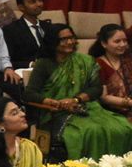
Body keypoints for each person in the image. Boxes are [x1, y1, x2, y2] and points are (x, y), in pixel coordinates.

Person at [27, 24, 132, 159]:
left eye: (72, 38)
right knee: (91, 131)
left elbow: (96, 88)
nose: (70, 42)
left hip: (86, 108)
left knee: (122, 127)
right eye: (64, 39)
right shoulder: (44, 64)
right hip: (56, 112)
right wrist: (54, 102)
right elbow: (30, 94)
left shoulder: (85, 61)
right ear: (53, 42)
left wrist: (76, 99)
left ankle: (116, 166)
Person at [3, 0, 53, 71]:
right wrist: (31, 64)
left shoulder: (48, 27)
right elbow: (7, 60)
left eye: (40, 0)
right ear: (21, 7)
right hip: (27, 71)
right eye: (33, 2)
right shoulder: (11, 30)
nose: (39, 4)